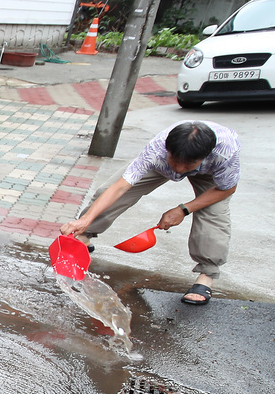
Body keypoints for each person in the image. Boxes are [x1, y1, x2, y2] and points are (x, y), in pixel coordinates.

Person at [59, 120, 239, 306]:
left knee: (213, 213)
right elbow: (121, 187)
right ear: (168, 150)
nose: (179, 169)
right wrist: (85, 220)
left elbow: (227, 188)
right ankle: (84, 235)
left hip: (209, 173)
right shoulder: (156, 150)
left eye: (188, 165)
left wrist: (184, 209)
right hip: (160, 165)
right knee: (107, 191)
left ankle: (207, 274)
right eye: (175, 161)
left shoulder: (225, 153)